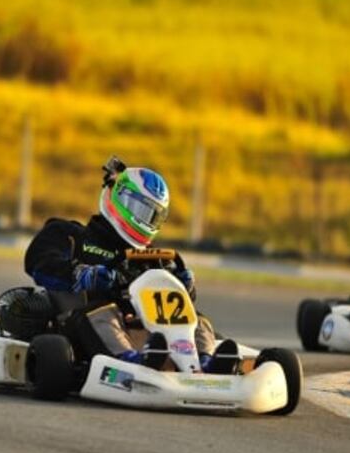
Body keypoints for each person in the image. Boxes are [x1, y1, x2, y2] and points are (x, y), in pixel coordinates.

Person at [23, 157, 236, 372]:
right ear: (118, 197)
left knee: (197, 320)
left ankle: (206, 364)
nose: (145, 220)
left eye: (152, 216)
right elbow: (39, 263)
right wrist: (83, 274)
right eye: (140, 209)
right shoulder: (70, 235)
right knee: (101, 312)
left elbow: (170, 305)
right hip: (81, 329)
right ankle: (130, 362)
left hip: (151, 337)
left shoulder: (154, 259)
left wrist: (184, 286)